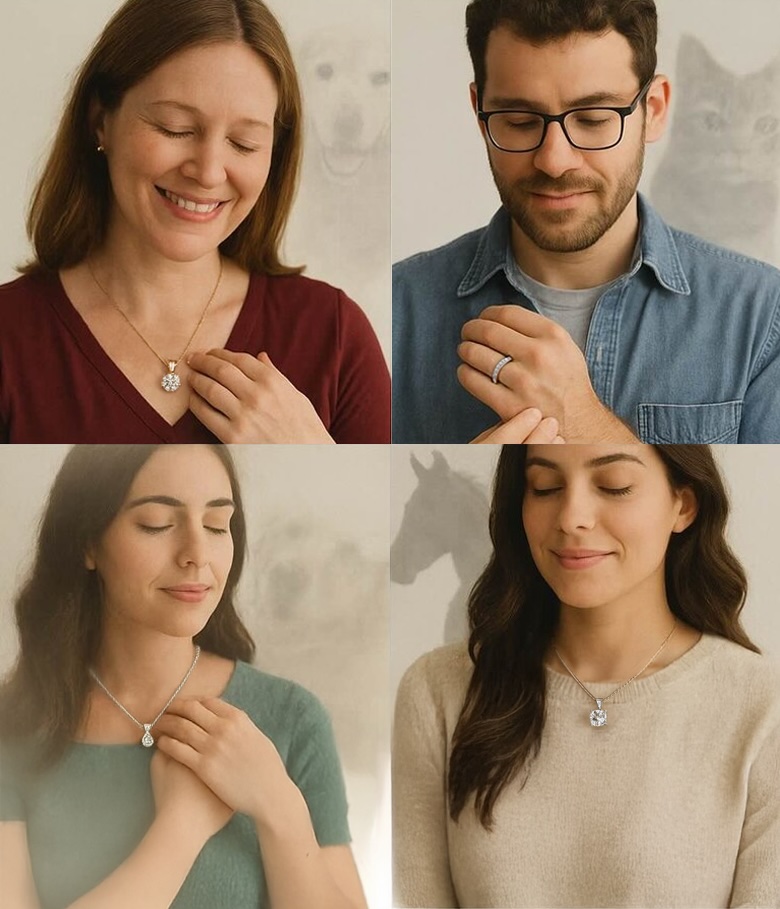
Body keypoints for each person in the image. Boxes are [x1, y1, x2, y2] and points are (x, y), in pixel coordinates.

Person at [392, 444, 780, 908]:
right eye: (545, 487)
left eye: (614, 486)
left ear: (684, 503)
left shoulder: (761, 705)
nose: (572, 516)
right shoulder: (438, 693)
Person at [0, 0, 390, 443]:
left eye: (243, 144)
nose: (208, 172)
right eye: (174, 129)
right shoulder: (10, 335)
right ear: (99, 121)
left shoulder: (334, 336)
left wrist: (309, 456)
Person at [392, 0, 780, 443]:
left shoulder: (763, 316)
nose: (555, 160)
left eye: (594, 119)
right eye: (518, 121)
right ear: (480, 114)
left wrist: (581, 419)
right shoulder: (399, 308)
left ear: (653, 109)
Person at [0, 444, 367, 909]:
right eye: (157, 524)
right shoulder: (12, 727)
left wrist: (280, 806)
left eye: (217, 526)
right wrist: (183, 827)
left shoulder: (293, 718)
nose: (197, 554)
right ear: (87, 542)